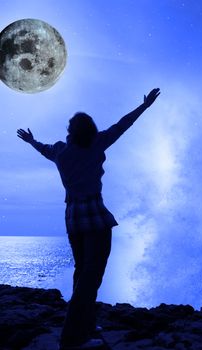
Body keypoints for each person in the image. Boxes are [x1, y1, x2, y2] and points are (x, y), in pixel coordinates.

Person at [17, 88, 160, 350]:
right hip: (95, 218)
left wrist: (30, 141)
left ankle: (85, 325)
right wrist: (145, 106)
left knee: (82, 273)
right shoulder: (96, 143)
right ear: (90, 129)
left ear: (71, 131)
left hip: (72, 219)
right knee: (91, 277)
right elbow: (122, 125)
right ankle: (73, 339)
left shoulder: (60, 151)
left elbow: (43, 149)